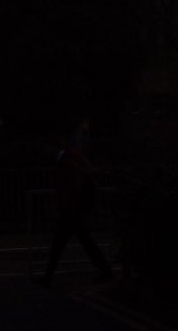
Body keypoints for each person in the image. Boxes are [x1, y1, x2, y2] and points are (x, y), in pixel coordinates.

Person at [38, 116, 114, 286]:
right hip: (74, 208)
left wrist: (63, 204)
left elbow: (70, 186)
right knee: (81, 242)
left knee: (64, 243)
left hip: (71, 209)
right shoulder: (72, 157)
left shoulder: (66, 161)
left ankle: (48, 277)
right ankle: (105, 271)